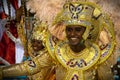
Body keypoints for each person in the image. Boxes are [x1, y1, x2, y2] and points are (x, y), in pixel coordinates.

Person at [0, 1, 116, 80]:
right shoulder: (57, 51)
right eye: (69, 30)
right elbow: (29, 67)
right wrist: (2, 72)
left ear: (86, 31)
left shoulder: (97, 57)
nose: (72, 34)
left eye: (78, 30)